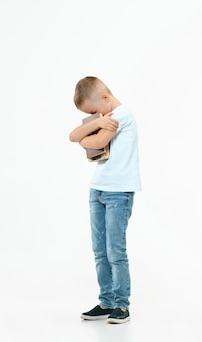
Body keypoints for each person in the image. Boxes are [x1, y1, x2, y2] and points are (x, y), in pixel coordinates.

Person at [69, 76, 141, 324]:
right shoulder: (105, 117)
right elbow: (73, 136)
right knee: (100, 251)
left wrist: (87, 134)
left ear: (105, 99)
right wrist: (92, 128)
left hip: (118, 192)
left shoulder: (123, 114)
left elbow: (95, 141)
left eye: (93, 112)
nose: (94, 117)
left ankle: (121, 305)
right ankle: (106, 301)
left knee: (115, 251)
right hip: (97, 190)